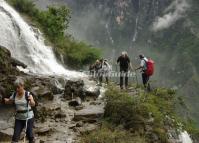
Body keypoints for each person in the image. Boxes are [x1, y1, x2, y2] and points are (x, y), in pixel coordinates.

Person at [4, 78, 35, 143]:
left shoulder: (27, 94)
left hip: (28, 118)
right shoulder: (14, 94)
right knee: (15, 137)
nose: (17, 89)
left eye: (18, 87)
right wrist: (5, 100)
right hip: (19, 118)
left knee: (30, 136)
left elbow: (33, 104)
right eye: (16, 88)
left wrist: (31, 100)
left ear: (23, 86)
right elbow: (10, 101)